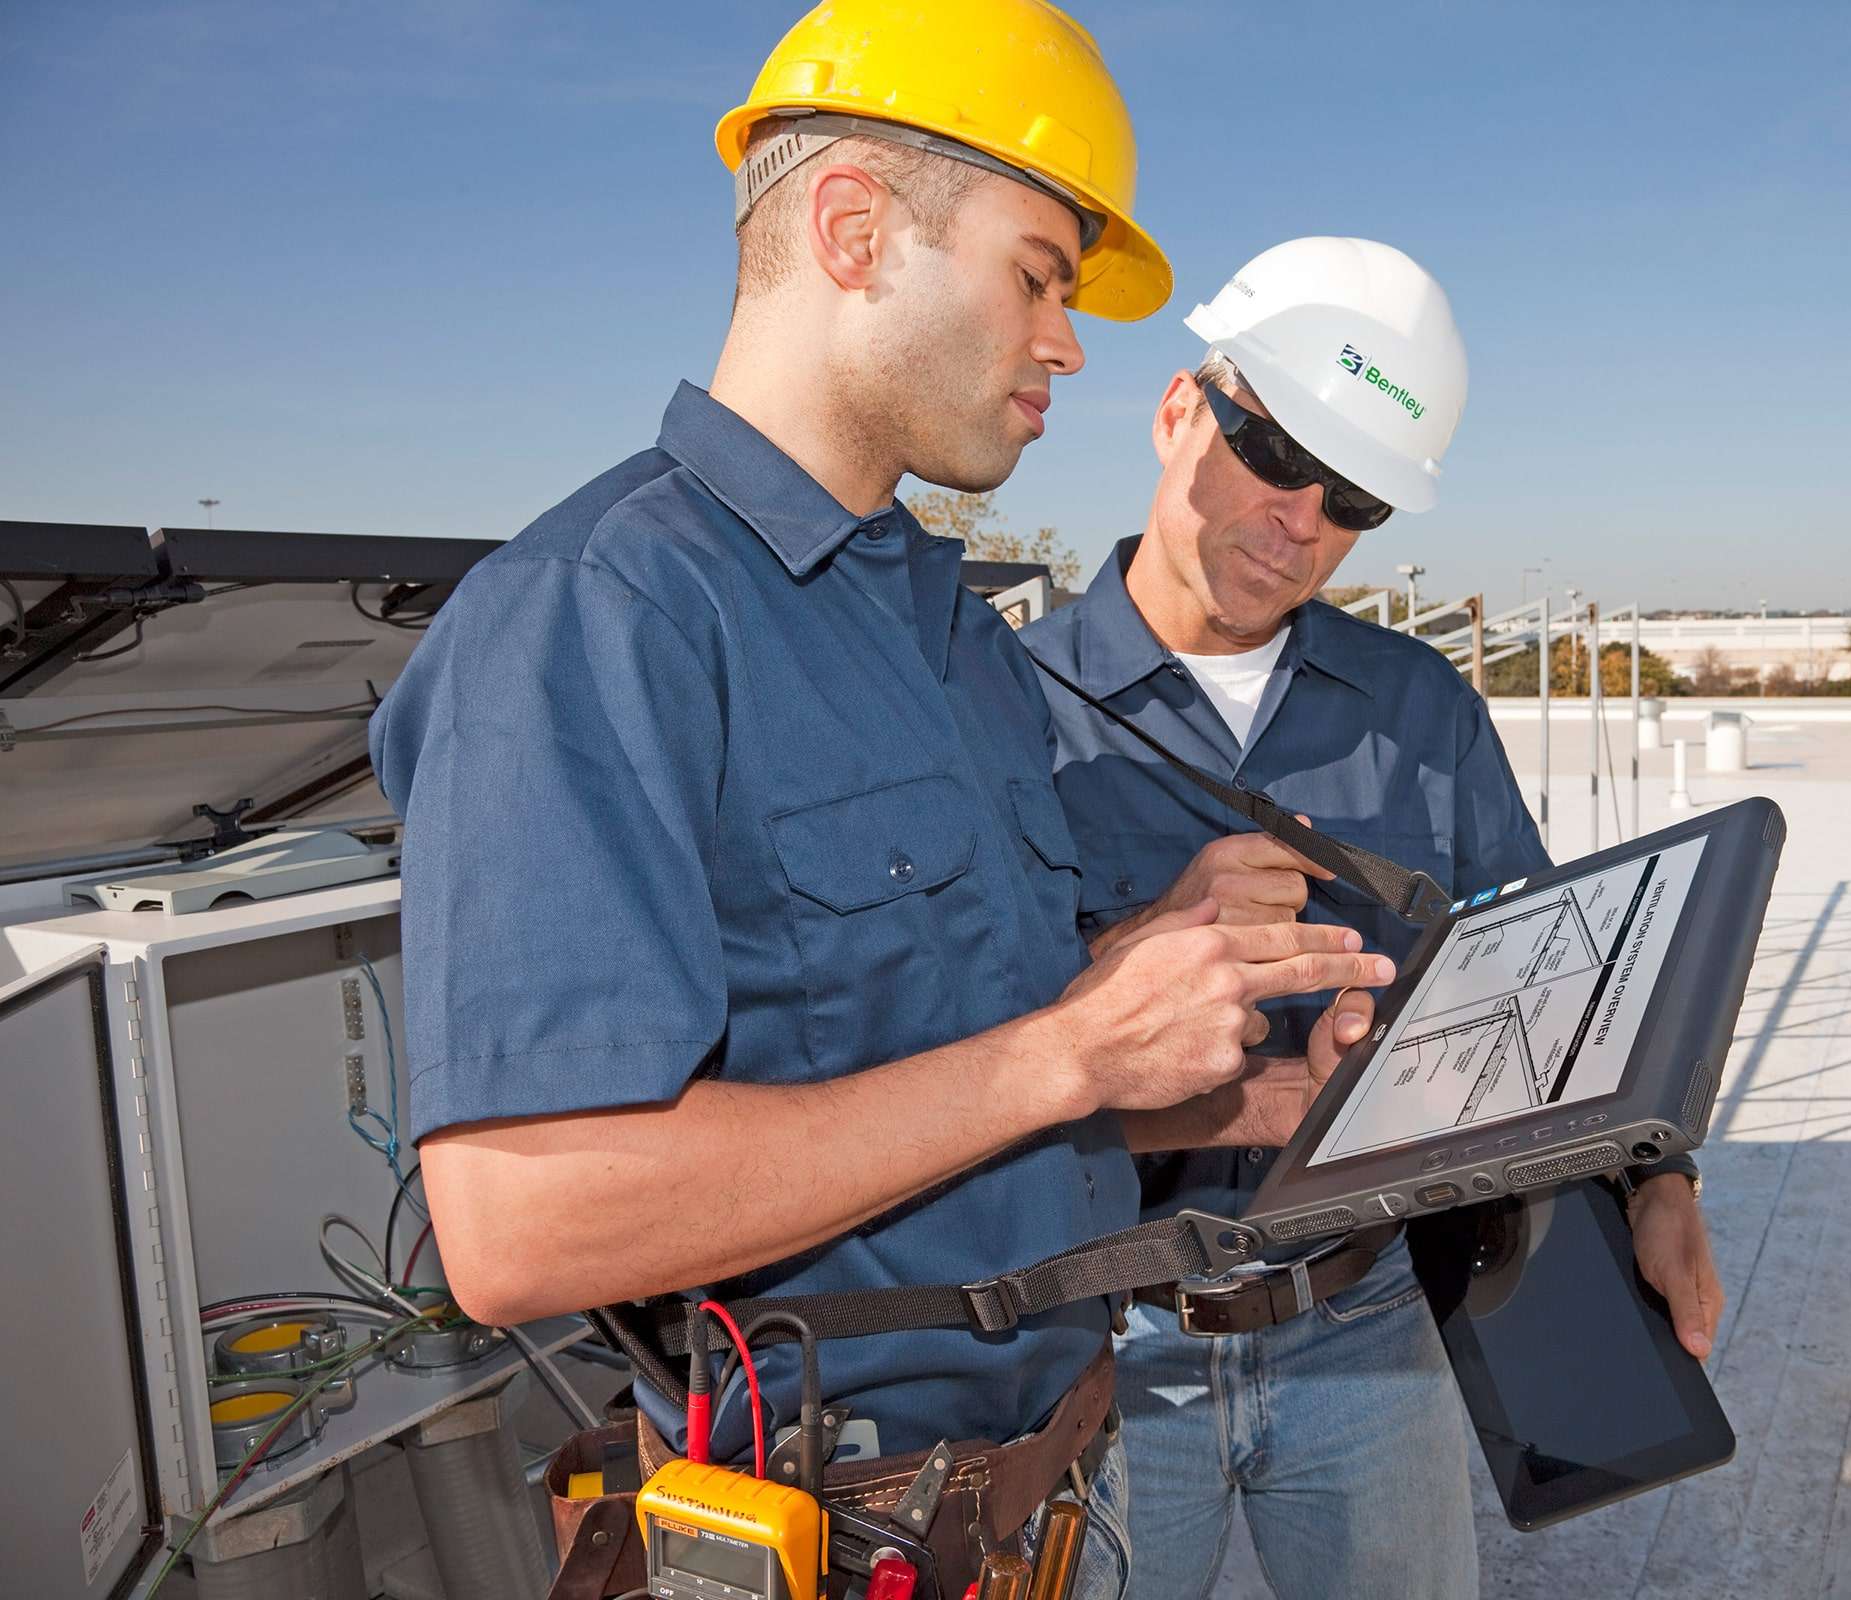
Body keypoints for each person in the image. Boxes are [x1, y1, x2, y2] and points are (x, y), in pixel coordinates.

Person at [366, 10, 1390, 1591]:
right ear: (854, 229)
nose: (1066, 341)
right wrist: (1068, 1046)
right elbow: (521, 1228)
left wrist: (1246, 1081)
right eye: (1038, 275)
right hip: (845, 1538)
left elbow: (974, 1088)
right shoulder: (595, 617)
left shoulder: (943, 632)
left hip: (1062, 1501)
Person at [1021, 237, 1724, 1600]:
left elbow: (1552, 982)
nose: (1301, 522)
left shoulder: (1423, 710)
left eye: (1352, 502)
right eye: (1277, 455)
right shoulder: (1000, 704)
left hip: (1369, 1325)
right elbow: (954, 1055)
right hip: (1100, 1338)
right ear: (1179, 410)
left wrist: (1659, 1179)